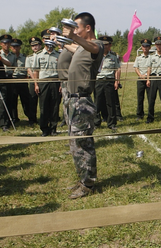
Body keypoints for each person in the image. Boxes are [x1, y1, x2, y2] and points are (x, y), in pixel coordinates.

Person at [61, 12, 104, 199]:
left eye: (77, 27)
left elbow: (93, 47)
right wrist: (63, 40)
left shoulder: (97, 45)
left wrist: (73, 36)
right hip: (72, 100)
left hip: (81, 101)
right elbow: (74, 47)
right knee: (75, 144)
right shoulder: (80, 47)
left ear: (88, 28)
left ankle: (88, 184)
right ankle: (82, 179)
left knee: (83, 143)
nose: (75, 30)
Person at [31, 38, 60, 136]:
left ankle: (53, 128)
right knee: (44, 106)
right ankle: (44, 128)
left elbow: (61, 71)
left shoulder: (58, 55)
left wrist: (61, 84)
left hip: (55, 81)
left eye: (51, 44)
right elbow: (36, 71)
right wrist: (36, 84)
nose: (49, 46)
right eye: (48, 44)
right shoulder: (38, 55)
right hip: (43, 82)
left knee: (55, 106)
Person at [94, 35, 121, 129]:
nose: (105, 46)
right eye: (103, 45)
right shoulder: (96, 55)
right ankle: (96, 123)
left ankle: (112, 123)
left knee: (111, 103)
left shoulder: (113, 56)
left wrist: (117, 81)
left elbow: (117, 69)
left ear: (110, 45)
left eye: (107, 45)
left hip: (109, 80)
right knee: (97, 103)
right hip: (98, 80)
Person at [9, 38, 32, 124]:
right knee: (13, 100)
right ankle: (14, 118)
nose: (15, 48)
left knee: (25, 100)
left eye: (17, 46)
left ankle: (30, 116)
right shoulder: (9, 57)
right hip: (13, 79)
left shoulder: (24, 57)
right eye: (13, 47)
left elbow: (27, 68)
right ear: (11, 47)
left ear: (20, 47)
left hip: (22, 79)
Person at [133, 38, 152, 120]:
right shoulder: (138, 58)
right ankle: (139, 114)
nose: (145, 48)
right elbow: (136, 67)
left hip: (149, 79)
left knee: (150, 98)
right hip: (140, 79)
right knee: (140, 98)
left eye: (147, 46)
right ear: (141, 47)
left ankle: (150, 115)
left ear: (150, 47)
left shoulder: (151, 57)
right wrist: (140, 75)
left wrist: (147, 77)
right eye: (144, 46)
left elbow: (150, 68)